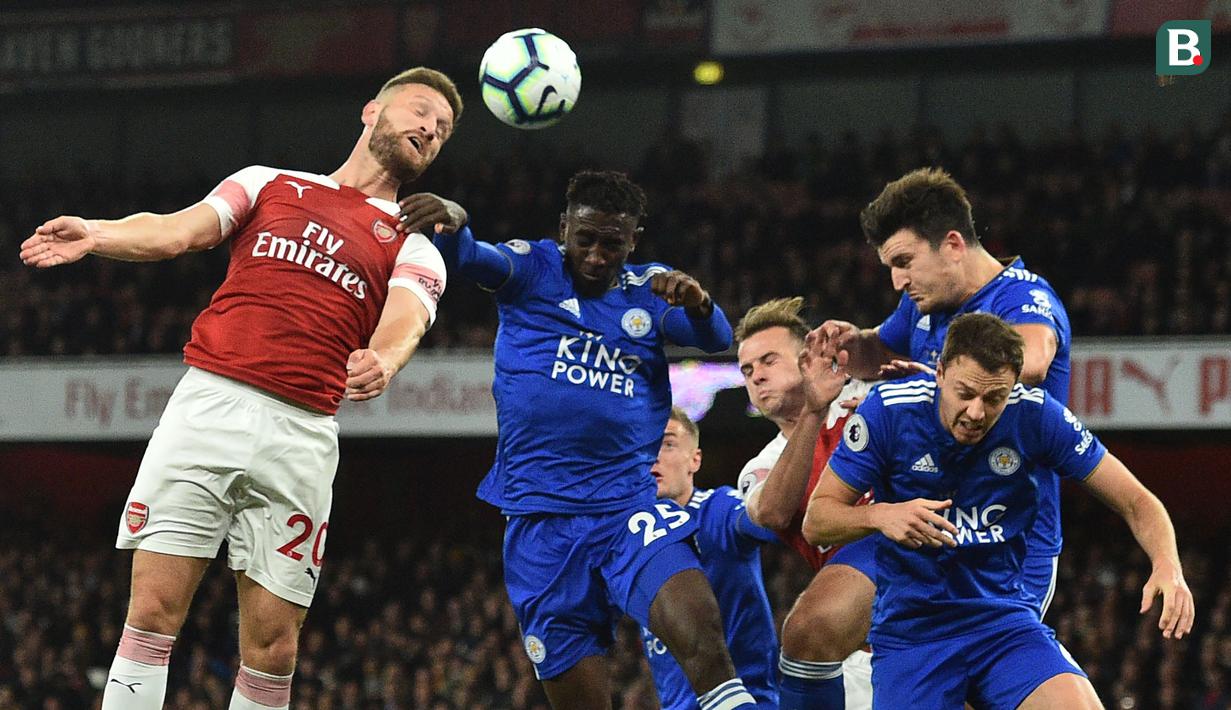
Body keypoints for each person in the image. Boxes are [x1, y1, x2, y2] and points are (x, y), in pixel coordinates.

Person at [20, 67, 464, 710]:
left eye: (442, 130)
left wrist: (386, 360)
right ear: (372, 111)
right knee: (151, 609)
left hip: (303, 434)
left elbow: (407, 318)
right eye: (420, 111)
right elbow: (179, 230)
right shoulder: (269, 184)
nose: (429, 128)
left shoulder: (414, 241)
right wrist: (98, 233)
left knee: (274, 647)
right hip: (210, 404)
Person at [419, 169, 758, 709]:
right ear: (563, 229)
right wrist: (455, 223)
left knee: (703, 642)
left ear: (634, 240)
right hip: (541, 526)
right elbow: (469, 258)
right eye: (586, 240)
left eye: (613, 244)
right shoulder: (530, 267)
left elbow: (715, 336)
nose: (598, 256)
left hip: (627, 508)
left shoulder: (647, 288)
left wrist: (697, 302)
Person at [803, 313, 1194, 709]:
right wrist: (880, 516)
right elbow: (817, 520)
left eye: (994, 398)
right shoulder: (889, 411)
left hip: (1002, 624)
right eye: (966, 392)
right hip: (913, 634)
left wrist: (1167, 564)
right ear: (939, 372)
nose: (976, 412)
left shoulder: (1037, 415)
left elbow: (1137, 500)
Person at [809, 167, 1075, 702]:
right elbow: (881, 350)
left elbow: (1035, 358)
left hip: (1003, 544)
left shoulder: (1022, 298)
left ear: (953, 244)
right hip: (919, 527)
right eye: (890, 267)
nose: (898, 281)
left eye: (904, 262)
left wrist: (942, 384)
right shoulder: (923, 305)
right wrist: (849, 343)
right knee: (812, 626)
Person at [731, 297, 876, 710]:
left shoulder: (867, 399)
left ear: (806, 360)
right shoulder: (762, 466)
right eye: (747, 370)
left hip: (940, 594)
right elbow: (771, 512)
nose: (756, 376)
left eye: (768, 361)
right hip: (861, 648)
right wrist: (814, 410)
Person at [640, 407, 780, 709]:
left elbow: (760, 520)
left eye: (667, 444)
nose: (654, 455)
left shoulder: (717, 508)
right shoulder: (632, 535)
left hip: (747, 700)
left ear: (695, 460)